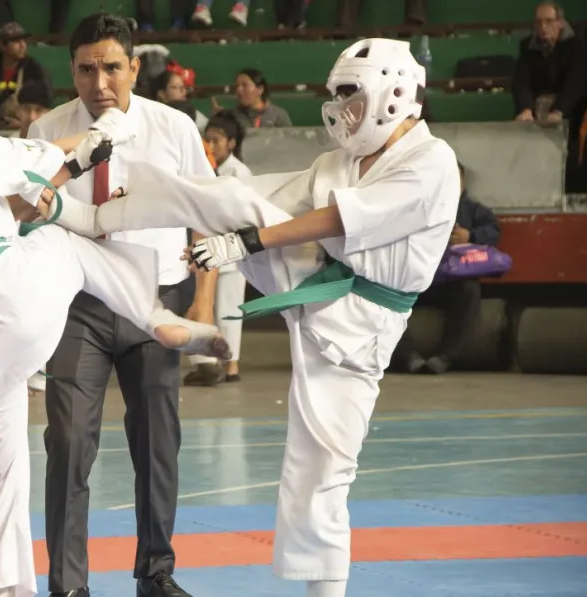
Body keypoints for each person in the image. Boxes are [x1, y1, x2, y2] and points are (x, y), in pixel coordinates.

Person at [45, 38, 461, 597]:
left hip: (358, 320)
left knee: (321, 473)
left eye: (352, 96)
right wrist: (214, 212)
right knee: (224, 196)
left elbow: (337, 219)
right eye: (337, 96)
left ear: (394, 93)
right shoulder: (344, 159)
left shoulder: (432, 163)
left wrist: (247, 242)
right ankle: (93, 213)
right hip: (314, 280)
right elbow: (263, 198)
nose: (343, 110)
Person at [0, 60, 228, 597]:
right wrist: (109, 131)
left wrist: (68, 170)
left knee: (1, 477)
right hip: (10, 308)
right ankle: (154, 316)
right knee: (66, 242)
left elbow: (10, 206)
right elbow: (56, 158)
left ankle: (4, 588)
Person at [25, 13, 217, 597]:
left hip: (156, 301)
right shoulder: (47, 127)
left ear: (134, 66)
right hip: (78, 304)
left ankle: (156, 574)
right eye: (87, 68)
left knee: (158, 440)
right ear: (73, 71)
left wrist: (201, 309)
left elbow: (205, 215)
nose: (100, 81)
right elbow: (28, 214)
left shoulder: (175, 128)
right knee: (68, 440)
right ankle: (68, 586)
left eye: (112, 66)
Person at [392, 161, 500, 375]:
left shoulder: (474, 211)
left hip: (451, 282)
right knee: (382, 294)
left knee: (470, 291)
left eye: (454, 179)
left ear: (463, 183)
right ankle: (408, 357)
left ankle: (445, 358)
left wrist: (470, 236)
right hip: (415, 280)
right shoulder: (415, 209)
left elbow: (493, 233)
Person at [184, 112, 251, 386]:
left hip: (232, 253)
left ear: (231, 143)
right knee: (203, 309)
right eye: (207, 139)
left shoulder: (239, 173)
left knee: (229, 313)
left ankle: (231, 365)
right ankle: (208, 363)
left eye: (216, 140)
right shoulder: (204, 168)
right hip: (205, 253)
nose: (210, 145)